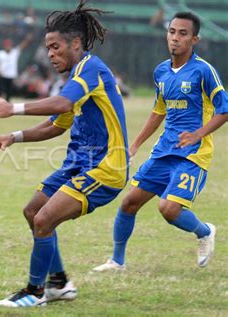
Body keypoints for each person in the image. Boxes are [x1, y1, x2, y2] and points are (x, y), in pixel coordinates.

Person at [0, 1, 128, 307]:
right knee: (33, 212)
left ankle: (35, 292)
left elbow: (60, 104)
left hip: (105, 169)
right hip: (78, 164)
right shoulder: (74, 79)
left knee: (45, 219)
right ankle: (58, 284)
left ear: (75, 43)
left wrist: (13, 108)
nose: (50, 54)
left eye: (55, 47)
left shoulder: (91, 69)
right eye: (48, 48)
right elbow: (57, 126)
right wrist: (14, 136)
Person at [92, 12, 227, 273]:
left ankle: (205, 231)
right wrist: (135, 145)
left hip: (193, 155)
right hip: (164, 151)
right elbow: (158, 112)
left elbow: (225, 109)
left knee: (168, 208)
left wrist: (198, 134)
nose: (175, 38)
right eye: (172, 32)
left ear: (195, 39)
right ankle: (117, 261)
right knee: (129, 202)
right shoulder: (161, 71)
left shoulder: (204, 71)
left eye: (183, 33)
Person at [0, 34, 32, 101]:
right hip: (2, 75)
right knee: (0, 90)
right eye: (6, 45)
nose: (8, 46)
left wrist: (27, 40)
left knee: (9, 92)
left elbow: (22, 46)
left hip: (11, 75)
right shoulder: (0, 53)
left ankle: (7, 103)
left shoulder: (14, 52)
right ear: (4, 46)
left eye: (9, 45)